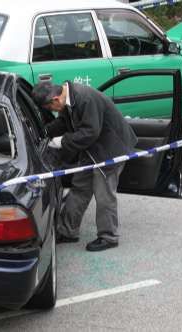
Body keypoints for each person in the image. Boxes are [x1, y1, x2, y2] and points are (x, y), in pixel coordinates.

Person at [32, 81, 137, 251]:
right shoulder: (68, 99)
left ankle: (109, 236)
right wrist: (44, 132)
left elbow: (90, 132)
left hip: (110, 150)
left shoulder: (85, 99)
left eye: (50, 109)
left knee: (104, 194)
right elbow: (65, 123)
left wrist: (63, 141)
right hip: (92, 149)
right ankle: (67, 231)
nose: (53, 112)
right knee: (80, 187)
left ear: (55, 99)